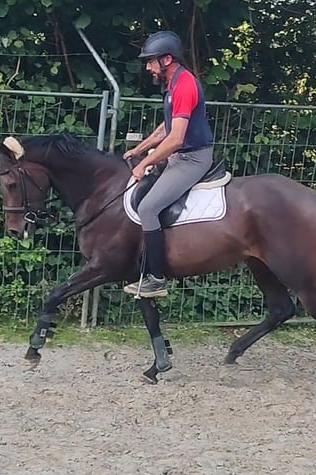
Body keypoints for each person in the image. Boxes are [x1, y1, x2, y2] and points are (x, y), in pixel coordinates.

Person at [122, 30, 215, 298]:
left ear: (167, 60)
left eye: (151, 61)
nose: (147, 66)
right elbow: (166, 128)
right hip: (179, 155)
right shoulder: (173, 85)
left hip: (192, 158)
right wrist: (139, 150)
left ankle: (156, 278)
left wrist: (145, 163)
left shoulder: (185, 85)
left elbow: (175, 139)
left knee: (149, 208)